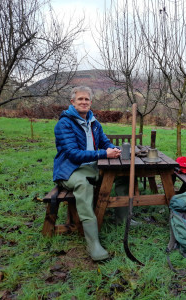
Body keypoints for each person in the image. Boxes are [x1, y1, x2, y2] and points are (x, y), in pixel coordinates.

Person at [53, 85, 128, 261]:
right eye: (80, 99)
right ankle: (93, 243)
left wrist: (112, 149)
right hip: (69, 169)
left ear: (91, 102)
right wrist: (103, 154)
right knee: (83, 185)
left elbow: (104, 142)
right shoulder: (64, 124)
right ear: (72, 102)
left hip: (91, 165)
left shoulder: (94, 122)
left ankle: (122, 218)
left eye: (87, 99)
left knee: (122, 175)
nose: (84, 102)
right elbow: (73, 154)